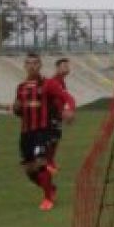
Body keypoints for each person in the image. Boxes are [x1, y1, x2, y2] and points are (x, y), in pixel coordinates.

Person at [15, 53, 74, 211]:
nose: (32, 66)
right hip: (26, 133)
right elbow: (19, 110)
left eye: (35, 63)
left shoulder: (49, 84)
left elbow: (67, 98)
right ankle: (50, 188)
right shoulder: (21, 87)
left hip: (42, 130)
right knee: (29, 170)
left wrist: (69, 110)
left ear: (40, 65)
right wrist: (16, 108)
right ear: (25, 66)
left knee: (41, 163)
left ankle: (48, 199)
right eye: (29, 63)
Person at [46, 57, 78, 175]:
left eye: (68, 66)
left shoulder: (61, 81)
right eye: (64, 66)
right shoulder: (54, 81)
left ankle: (50, 162)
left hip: (56, 114)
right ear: (57, 68)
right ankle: (46, 164)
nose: (67, 68)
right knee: (50, 139)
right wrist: (67, 111)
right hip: (49, 114)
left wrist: (64, 111)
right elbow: (60, 99)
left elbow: (61, 98)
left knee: (55, 139)